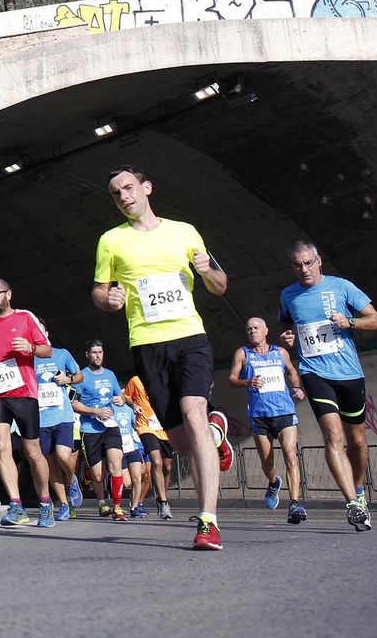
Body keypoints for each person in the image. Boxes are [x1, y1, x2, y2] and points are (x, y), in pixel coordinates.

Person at [92, 165, 230, 551]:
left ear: (146, 188)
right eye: (116, 193)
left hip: (190, 338)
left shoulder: (185, 232)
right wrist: (110, 300)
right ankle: (215, 435)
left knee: (192, 411)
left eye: (129, 188)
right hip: (147, 346)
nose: (124, 196)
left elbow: (220, 286)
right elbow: (99, 292)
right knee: (184, 442)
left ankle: (208, 522)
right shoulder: (110, 242)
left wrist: (206, 272)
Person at [277, 241, 377, 532]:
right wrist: (288, 339)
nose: (304, 269)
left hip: (348, 373)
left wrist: (350, 322)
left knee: (357, 441)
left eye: (308, 263)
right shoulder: (288, 295)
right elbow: (288, 328)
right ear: (293, 267)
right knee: (333, 436)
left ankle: (359, 491)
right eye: (298, 265)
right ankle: (352, 503)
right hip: (314, 372)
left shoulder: (342, 287)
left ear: (319, 261)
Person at [0, 279, 54, 527]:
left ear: (9, 294)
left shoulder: (25, 318)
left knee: (32, 451)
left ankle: (46, 503)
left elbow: (48, 350)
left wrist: (31, 347)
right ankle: (16, 505)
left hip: (24, 392)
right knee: (2, 447)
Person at [229, 316, 307, 524]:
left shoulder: (280, 352)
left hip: (284, 412)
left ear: (266, 331)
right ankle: (273, 483)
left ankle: (294, 503)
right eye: (249, 329)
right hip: (259, 415)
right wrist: (247, 381)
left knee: (291, 453)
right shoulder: (243, 354)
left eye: (256, 327)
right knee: (267, 462)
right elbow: (232, 379)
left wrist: (297, 388)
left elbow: (292, 372)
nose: (252, 331)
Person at [72, 339, 129, 523]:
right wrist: (95, 411)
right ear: (87, 355)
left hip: (111, 426)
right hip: (90, 429)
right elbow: (74, 403)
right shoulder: (81, 376)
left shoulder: (110, 374)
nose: (98, 356)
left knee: (115, 464)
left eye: (101, 352)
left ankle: (118, 507)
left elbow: (118, 395)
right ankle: (90, 480)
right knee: (98, 475)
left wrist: (120, 400)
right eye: (94, 352)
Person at [34, 343, 81, 520]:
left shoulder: (62, 353)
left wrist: (67, 379)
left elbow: (80, 376)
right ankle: (63, 504)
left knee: (62, 455)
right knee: (51, 464)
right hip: (40, 419)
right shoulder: (28, 358)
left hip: (62, 416)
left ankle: (71, 480)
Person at [122, 375, 175, 519]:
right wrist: (134, 405)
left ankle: (161, 498)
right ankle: (164, 503)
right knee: (156, 461)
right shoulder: (135, 381)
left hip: (163, 428)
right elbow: (125, 396)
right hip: (145, 426)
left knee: (167, 467)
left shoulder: (164, 379)